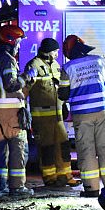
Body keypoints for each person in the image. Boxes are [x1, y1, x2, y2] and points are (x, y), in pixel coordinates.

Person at [0, 16, 36, 199]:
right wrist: (27, 76)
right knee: (18, 150)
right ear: (11, 41)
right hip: (12, 115)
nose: (19, 45)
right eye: (18, 42)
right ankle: (17, 187)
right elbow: (11, 84)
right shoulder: (8, 60)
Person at [61, 35, 105, 197]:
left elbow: (63, 94)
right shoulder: (100, 61)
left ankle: (92, 189)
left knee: (87, 150)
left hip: (83, 114)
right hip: (104, 111)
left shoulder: (68, 67)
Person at [23, 37, 79, 188]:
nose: (57, 54)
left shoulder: (55, 65)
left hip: (58, 115)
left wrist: (64, 104)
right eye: (55, 51)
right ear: (48, 51)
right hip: (42, 117)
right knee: (47, 147)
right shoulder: (34, 65)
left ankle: (65, 176)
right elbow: (25, 90)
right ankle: (50, 177)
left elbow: (61, 86)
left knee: (63, 145)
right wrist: (23, 109)